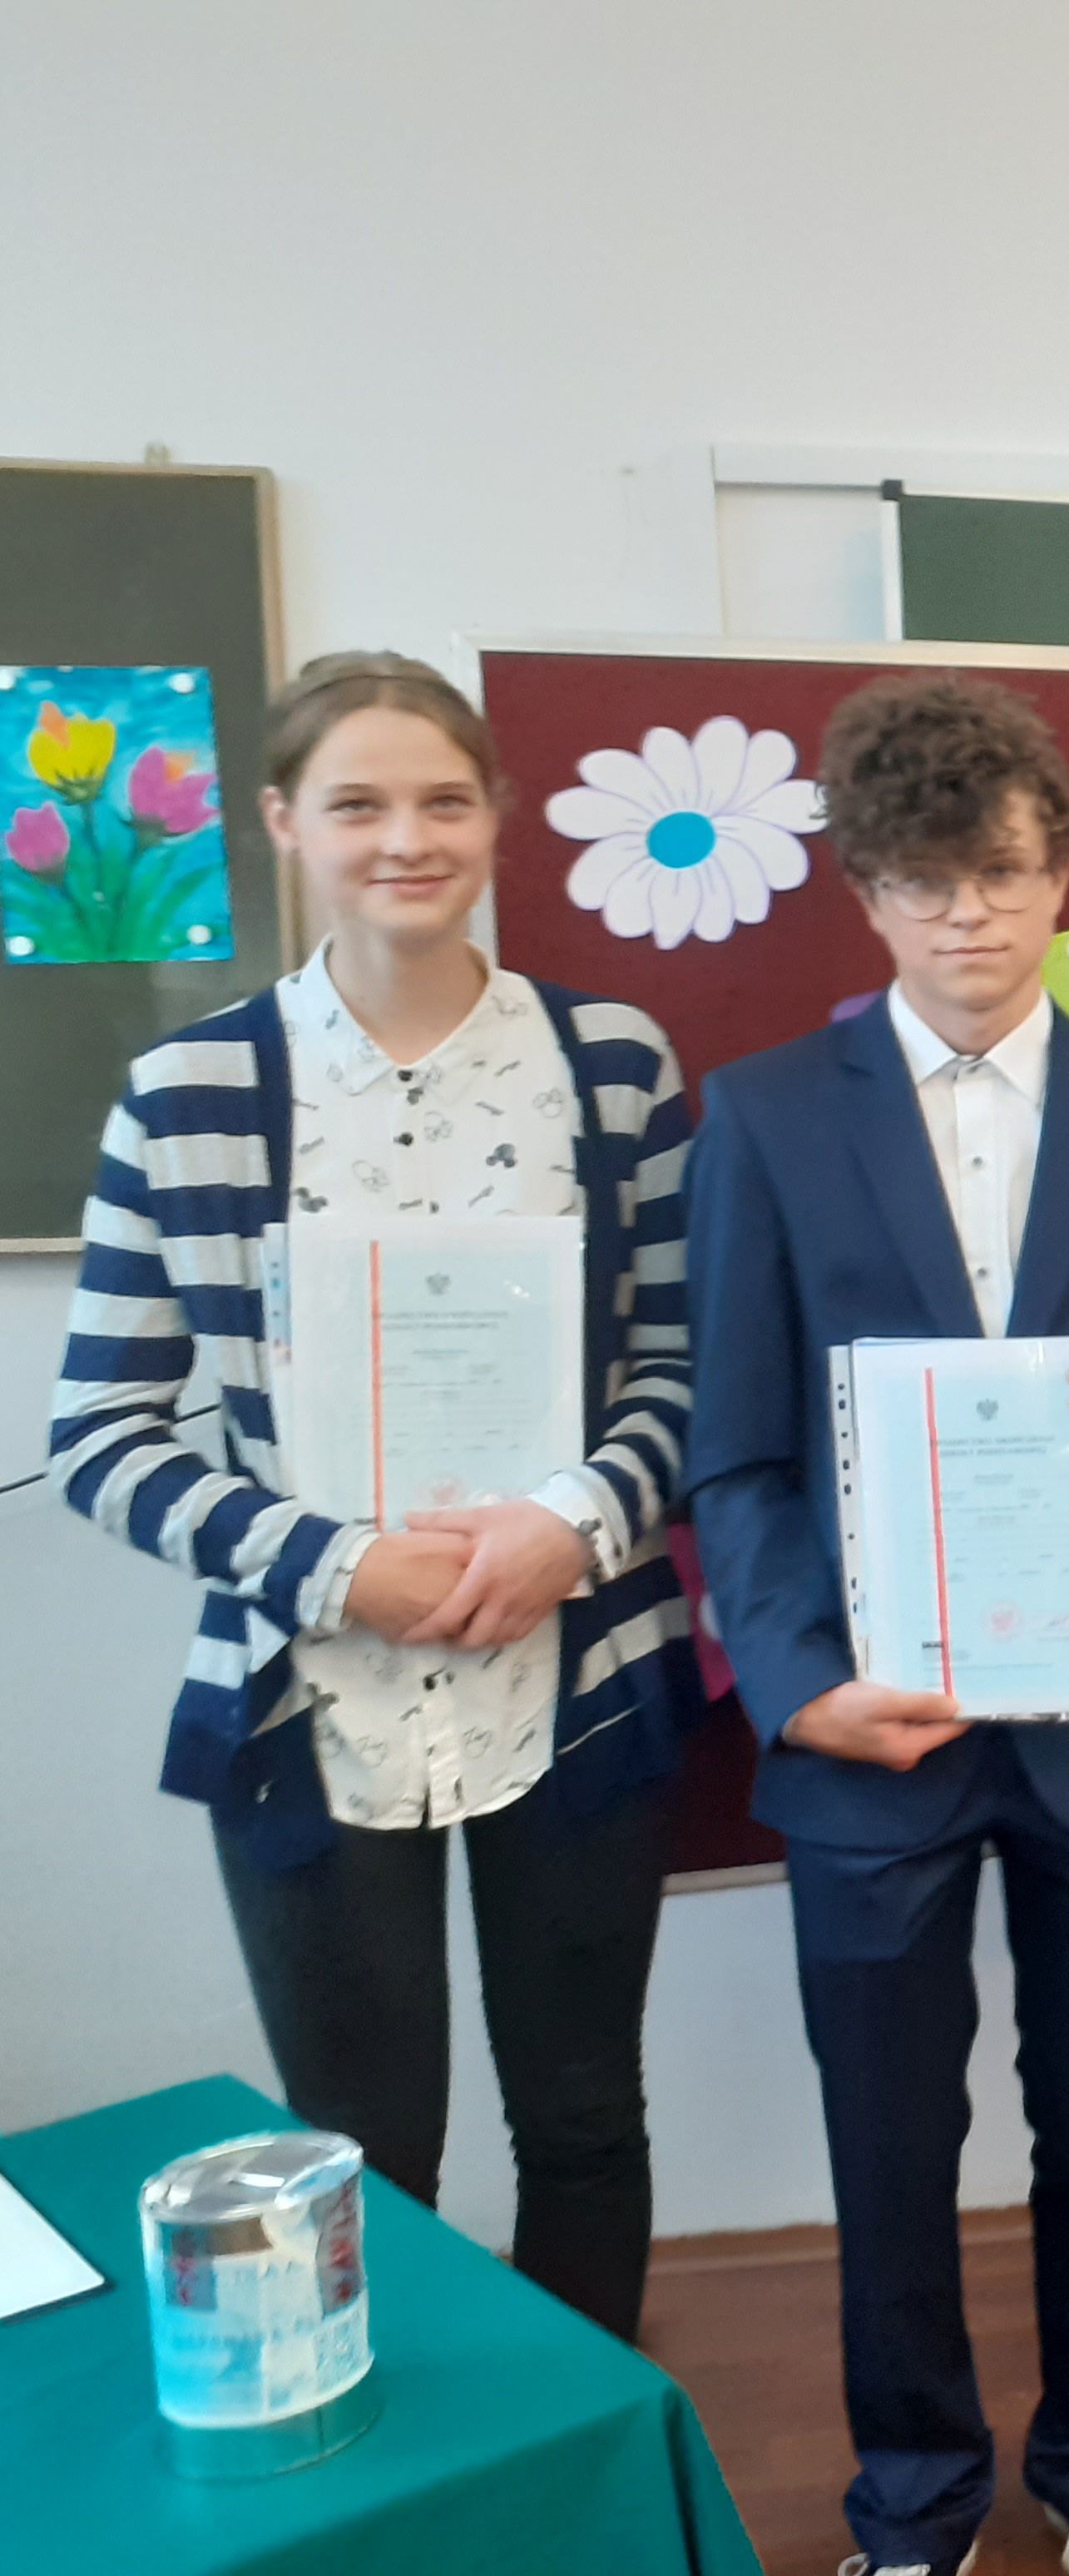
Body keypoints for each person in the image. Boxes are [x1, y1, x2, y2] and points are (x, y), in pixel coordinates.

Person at [49, 651, 700, 2341]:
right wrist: (338, 1568)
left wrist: (571, 1528)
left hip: (576, 1678)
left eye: (442, 800)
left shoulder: (613, 1063)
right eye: (357, 804)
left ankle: (573, 2457)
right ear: (282, 823)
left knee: (585, 2122)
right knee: (357, 2153)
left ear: (496, 816)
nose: (405, 838)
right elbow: (100, 1430)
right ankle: (398, 2470)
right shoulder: (186, 1095)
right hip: (311, 1700)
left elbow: (687, 1375)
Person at [684, 674, 1069, 2576]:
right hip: (871, 1722)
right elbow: (733, 1448)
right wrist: (795, 1685)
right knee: (891, 2147)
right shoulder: (765, 1117)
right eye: (924, 881)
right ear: (864, 892)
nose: (969, 916)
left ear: (1060, 873)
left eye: (1001, 873)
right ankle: (911, 2511)